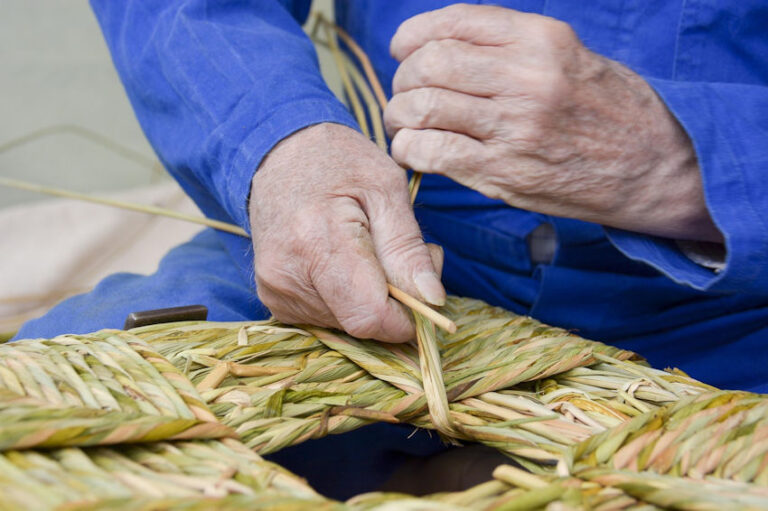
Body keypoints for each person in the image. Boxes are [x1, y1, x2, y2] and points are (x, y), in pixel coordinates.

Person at [15, 0, 768, 497]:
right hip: (379, 252)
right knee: (41, 429)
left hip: (734, 321)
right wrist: (279, 142)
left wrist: (687, 163)